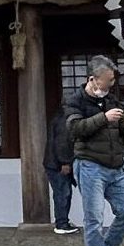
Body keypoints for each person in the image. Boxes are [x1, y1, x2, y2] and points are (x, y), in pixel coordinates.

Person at [66, 55, 124, 246]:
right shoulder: (74, 101)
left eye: (112, 80)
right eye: (108, 80)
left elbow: (120, 135)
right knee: (94, 218)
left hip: (116, 166)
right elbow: (75, 129)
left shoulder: (112, 99)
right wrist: (104, 118)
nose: (111, 84)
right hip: (89, 165)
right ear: (93, 79)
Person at [46, 95, 79, 235]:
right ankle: (61, 223)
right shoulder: (66, 119)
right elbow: (62, 142)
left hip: (54, 161)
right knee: (63, 193)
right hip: (58, 163)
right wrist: (64, 162)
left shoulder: (59, 116)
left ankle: (63, 221)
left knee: (63, 192)